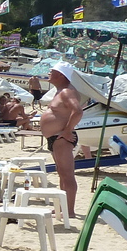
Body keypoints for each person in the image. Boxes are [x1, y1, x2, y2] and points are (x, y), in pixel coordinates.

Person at [40, 63, 83, 218]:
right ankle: (62, 207)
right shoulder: (59, 92)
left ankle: (69, 211)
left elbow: (77, 111)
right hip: (56, 137)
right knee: (62, 174)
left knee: (67, 174)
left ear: (61, 74)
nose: (49, 73)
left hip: (62, 137)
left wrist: (67, 130)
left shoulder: (66, 92)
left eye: (52, 71)